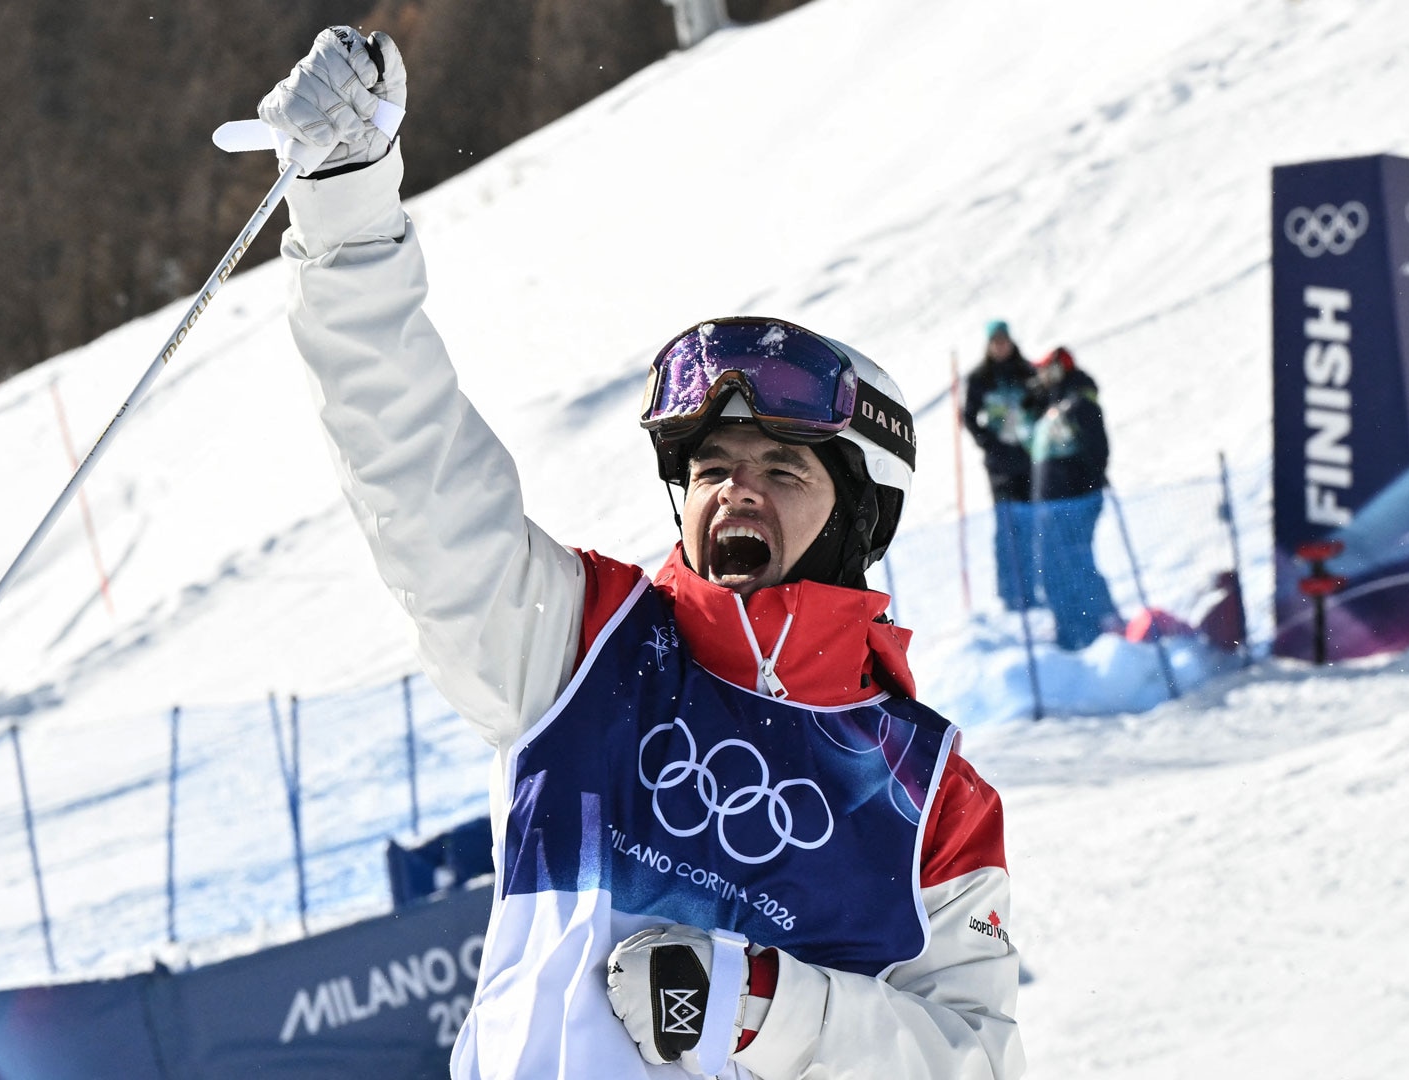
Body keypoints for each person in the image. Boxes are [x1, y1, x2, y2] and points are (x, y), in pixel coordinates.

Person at [258, 28, 1023, 1080]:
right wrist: (347, 214)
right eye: (712, 469)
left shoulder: (931, 795)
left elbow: (973, 1062)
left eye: (782, 470)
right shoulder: (578, 648)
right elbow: (414, 470)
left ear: (858, 522)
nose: (736, 490)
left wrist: (764, 1005)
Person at [1027, 347, 1118, 650]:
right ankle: (1074, 627)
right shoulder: (1055, 400)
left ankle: (1090, 628)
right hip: (1054, 501)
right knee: (1058, 566)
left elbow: (1098, 450)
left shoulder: (1078, 401)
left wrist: (1084, 482)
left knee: (1072, 564)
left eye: (1045, 370)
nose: (1040, 376)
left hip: (1073, 500)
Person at [960, 321, 1040, 612]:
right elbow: (969, 416)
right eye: (995, 341)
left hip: (1029, 459)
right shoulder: (981, 378)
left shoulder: (1027, 372)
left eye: (1003, 340)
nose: (1000, 345)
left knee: (1031, 526)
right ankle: (1010, 593)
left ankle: (1031, 589)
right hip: (1000, 465)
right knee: (1007, 528)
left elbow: (1041, 405)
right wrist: (988, 443)